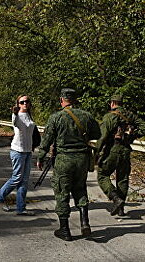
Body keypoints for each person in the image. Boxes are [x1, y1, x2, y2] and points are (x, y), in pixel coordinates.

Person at [36, 88, 101, 241]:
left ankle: (64, 230)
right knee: (80, 189)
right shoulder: (87, 116)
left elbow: (46, 140)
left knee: (62, 192)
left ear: (61, 100)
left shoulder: (56, 117)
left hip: (64, 160)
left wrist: (40, 156)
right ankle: (85, 222)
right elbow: (97, 135)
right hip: (82, 160)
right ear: (75, 99)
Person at [96, 94, 145, 216]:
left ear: (112, 103)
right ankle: (121, 209)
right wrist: (132, 136)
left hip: (112, 149)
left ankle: (115, 198)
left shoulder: (109, 117)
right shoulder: (130, 115)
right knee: (122, 179)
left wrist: (97, 152)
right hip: (125, 150)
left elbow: (102, 137)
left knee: (102, 175)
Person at [0, 95, 39, 215]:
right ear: (18, 104)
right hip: (18, 151)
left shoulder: (28, 115)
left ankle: (21, 208)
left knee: (24, 180)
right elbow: (14, 121)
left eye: (27, 101)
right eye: (22, 102)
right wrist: (14, 112)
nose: (25, 103)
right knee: (17, 178)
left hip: (28, 151)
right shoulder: (17, 115)